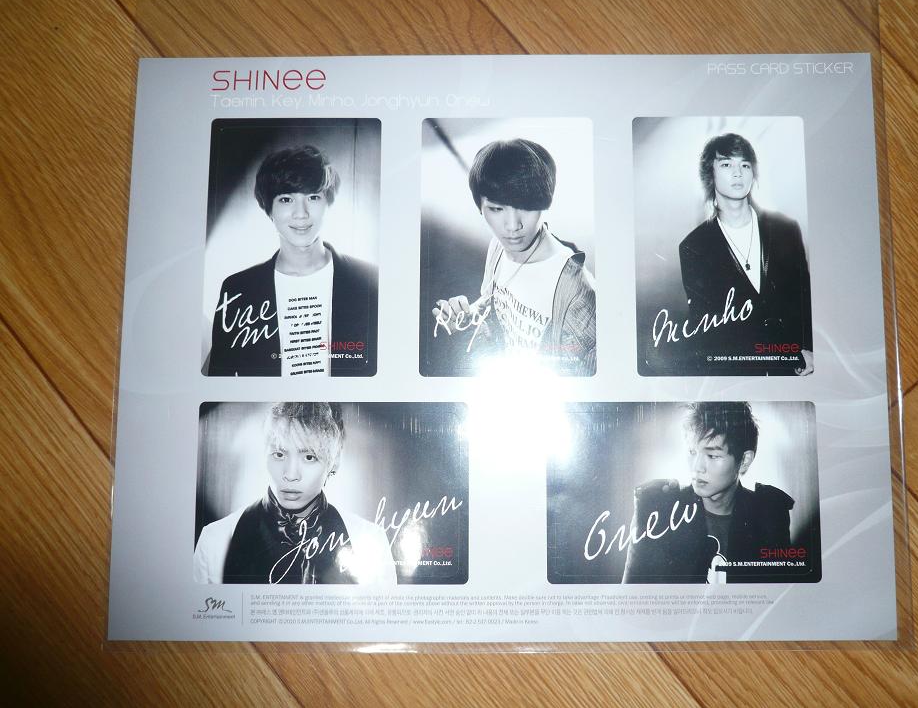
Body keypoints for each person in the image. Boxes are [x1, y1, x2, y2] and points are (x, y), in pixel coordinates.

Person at [207, 145, 377, 377]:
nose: (301, 213)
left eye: (313, 197)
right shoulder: (238, 291)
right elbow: (218, 383)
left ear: (328, 203)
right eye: (286, 199)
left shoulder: (371, 282)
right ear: (270, 210)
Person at [432, 138, 596, 375]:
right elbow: (492, 317)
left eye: (525, 207)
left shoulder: (577, 291)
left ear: (543, 203)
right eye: (497, 209)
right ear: (480, 207)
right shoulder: (498, 248)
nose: (512, 226)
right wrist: (464, 321)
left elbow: (583, 383)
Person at [193, 402, 396, 585]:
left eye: (309, 457)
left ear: (334, 462)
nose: (290, 475)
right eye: (279, 454)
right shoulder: (214, 540)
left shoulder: (370, 542)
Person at [678, 133, 813, 375]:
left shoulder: (786, 229)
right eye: (726, 164)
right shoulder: (694, 247)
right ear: (710, 173)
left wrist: (810, 350)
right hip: (738, 375)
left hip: (795, 370)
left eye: (745, 165)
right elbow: (706, 329)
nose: (738, 173)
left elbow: (804, 298)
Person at [622, 402, 794, 584]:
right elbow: (634, 593)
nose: (697, 467)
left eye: (712, 456)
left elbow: (779, 594)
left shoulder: (769, 514)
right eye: (692, 452)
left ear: (744, 460)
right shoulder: (658, 508)